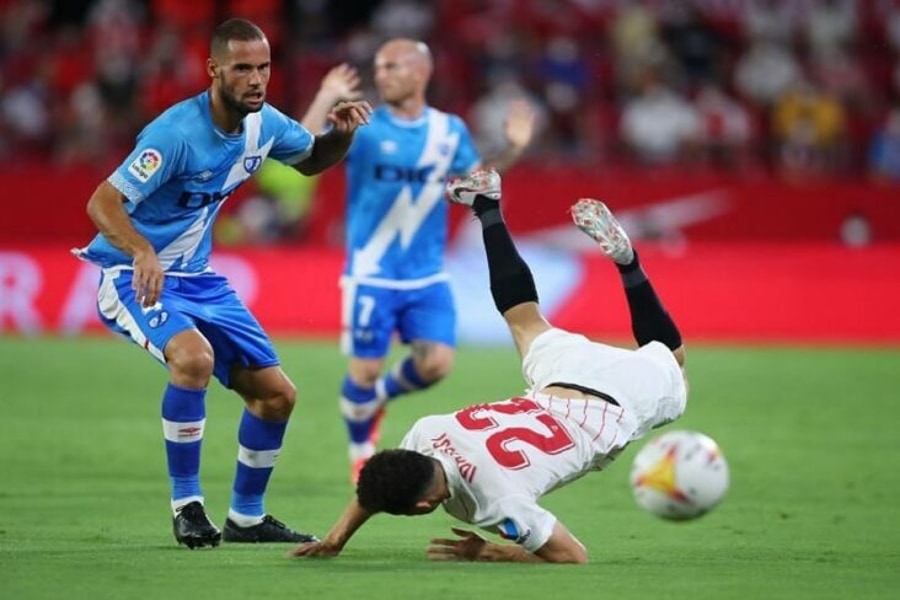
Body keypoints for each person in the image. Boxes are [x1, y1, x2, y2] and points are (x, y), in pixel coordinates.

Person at [72, 18, 371, 549]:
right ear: (214, 69)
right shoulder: (175, 133)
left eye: (264, 68)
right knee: (194, 360)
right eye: (242, 68)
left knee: (277, 396)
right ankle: (187, 507)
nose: (256, 79)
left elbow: (311, 161)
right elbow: (103, 202)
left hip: (200, 278)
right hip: (132, 274)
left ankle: (246, 518)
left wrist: (342, 137)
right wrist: (141, 250)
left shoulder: (265, 124)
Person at [290, 169, 688, 563]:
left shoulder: (497, 502)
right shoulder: (426, 433)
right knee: (524, 319)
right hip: (558, 379)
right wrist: (336, 538)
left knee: (673, 360)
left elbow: (573, 556)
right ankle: (489, 208)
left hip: (610, 408)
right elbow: (378, 483)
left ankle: (628, 264)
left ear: (424, 506)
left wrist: (491, 551)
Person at [303, 39, 536, 482]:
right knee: (365, 369)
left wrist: (512, 148)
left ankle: (375, 400)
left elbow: (475, 178)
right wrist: (326, 96)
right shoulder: (365, 124)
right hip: (372, 273)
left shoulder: (448, 130)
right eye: (379, 67)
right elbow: (304, 149)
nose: (382, 74)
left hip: (427, 273)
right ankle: (361, 449)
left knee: (436, 364)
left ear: (420, 73)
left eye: (392, 66)